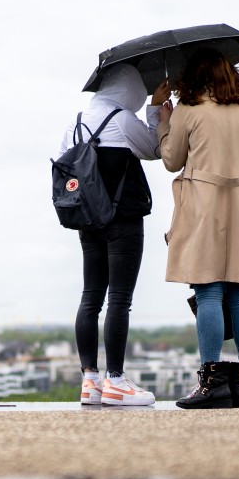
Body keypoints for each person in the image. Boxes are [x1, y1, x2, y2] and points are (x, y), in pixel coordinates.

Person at [156, 49, 239, 409]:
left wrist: (163, 120)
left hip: (204, 206)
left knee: (209, 291)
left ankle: (211, 381)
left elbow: (171, 160)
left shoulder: (189, 109)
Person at [60, 63, 170, 407]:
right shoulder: (121, 120)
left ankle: (89, 380)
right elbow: (154, 149)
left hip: (89, 218)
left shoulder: (75, 123)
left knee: (90, 297)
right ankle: (117, 381)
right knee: (119, 300)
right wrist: (155, 110)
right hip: (123, 218)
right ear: (129, 90)